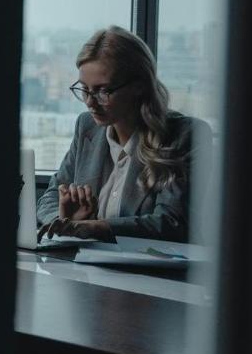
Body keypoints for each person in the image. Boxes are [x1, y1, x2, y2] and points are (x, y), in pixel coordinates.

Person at [36, 26, 211, 243]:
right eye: (84, 89)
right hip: (89, 270)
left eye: (102, 91)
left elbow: (171, 223)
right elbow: (49, 198)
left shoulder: (184, 135)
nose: (90, 102)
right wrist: (65, 223)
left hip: (152, 275)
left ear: (139, 86)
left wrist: (95, 227)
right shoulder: (87, 127)